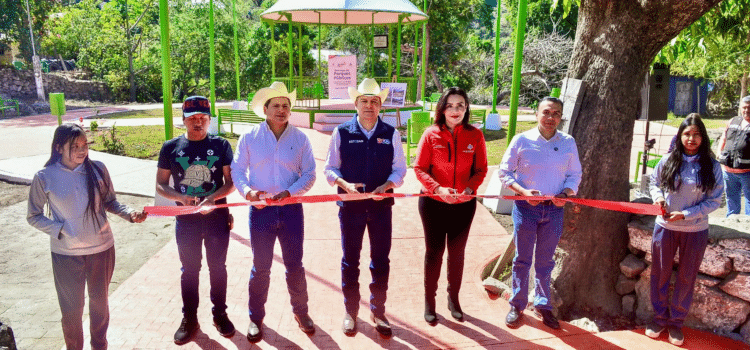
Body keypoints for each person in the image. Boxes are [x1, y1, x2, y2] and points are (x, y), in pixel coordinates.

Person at [27, 123, 147, 350]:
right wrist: (60, 230)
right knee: (71, 310)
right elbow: (33, 215)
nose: (82, 150)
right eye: (75, 146)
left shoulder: (98, 169)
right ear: (58, 147)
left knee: (99, 305)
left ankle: (99, 346)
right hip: (65, 255)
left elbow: (110, 202)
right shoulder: (44, 177)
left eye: (85, 145)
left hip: (101, 249)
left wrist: (130, 214)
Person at [231, 82, 317, 343]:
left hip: (291, 210)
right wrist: (248, 193)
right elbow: (237, 171)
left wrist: (290, 193)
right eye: (276, 105)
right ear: (265, 109)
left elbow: (310, 174)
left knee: (295, 266)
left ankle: (301, 313)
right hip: (260, 212)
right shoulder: (249, 137)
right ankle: (256, 318)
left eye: (286, 106)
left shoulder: (300, 138)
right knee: (261, 267)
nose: (281, 110)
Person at [324, 78, 407, 338]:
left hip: (382, 207)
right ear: (356, 104)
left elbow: (400, 168)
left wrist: (388, 184)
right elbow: (329, 168)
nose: (369, 106)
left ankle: (378, 311)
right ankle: (350, 312)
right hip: (350, 208)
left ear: (380, 105)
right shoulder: (342, 132)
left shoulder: (390, 133)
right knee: (350, 260)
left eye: (374, 101)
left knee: (380, 260)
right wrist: (342, 183)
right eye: (364, 101)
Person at [156, 96, 236, 345]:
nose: (198, 122)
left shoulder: (221, 145)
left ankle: (219, 314)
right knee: (189, 270)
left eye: (203, 118)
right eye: (192, 118)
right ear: (184, 120)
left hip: (217, 218)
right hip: (187, 220)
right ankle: (189, 319)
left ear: (209, 120)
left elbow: (231, 182)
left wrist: (212, 198)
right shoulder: (170, 147)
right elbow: (160, 185)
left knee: (218, 268)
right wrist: (181, 198)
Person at [499, 96, 582, 330]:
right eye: (546, 112)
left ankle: (544, 305)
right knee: (522, 259)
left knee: (545, 261)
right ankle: (517, 304)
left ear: (560, 118)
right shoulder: (522, 140)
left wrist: (565, 194)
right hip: (526, 209)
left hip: (554, 210)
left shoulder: (567, 142)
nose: (550, 118)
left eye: (556, 113)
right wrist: (523, 191)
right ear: (537, 114)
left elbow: (575, 174)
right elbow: (505, 172)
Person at [646, 114, 723, 346]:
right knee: (659, 273)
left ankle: (677, 323)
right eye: (687, 134)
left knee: (687, 277)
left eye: (696, 134)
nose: (691, 138)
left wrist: (686, 215)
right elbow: (654, 182)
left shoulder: (712, 166)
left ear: (703, 137)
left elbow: (715, 200)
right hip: (665, 228)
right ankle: (659, 318)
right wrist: (658, 197)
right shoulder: (668, 160)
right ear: (679, 136)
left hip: (695, 231)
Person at [413, 87, 488, 324]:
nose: (455, 111)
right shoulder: (431, 134)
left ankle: (453, 298)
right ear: (442, 108)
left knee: (457, 254)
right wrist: (438, 189)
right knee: (434, 253)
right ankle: (429, 300)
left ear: (466, 109)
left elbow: (481, 169)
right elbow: (420, 168)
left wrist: (469, 189)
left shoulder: (475, 135)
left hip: (464, 205)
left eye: (460, 105)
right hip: (433, 203)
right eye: (450, 105)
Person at [718, 95, 750, 216]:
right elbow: (724, 137)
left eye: (749, 107)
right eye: (744, 107)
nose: (746, 110)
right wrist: (719, 152)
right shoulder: (733, 121)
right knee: (731, 198)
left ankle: (748, 229)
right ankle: (732, 223)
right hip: (728, 171)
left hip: (747, 172)